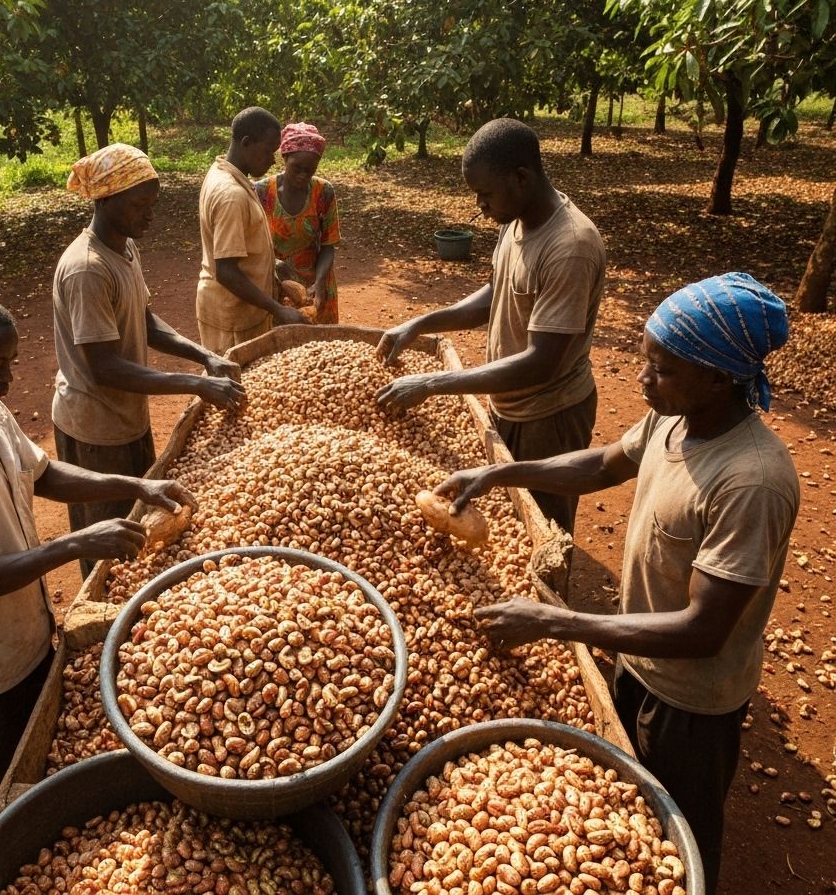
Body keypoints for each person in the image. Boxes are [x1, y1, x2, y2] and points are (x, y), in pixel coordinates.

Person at [435, 273, 799, 895]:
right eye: (645, 359)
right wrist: (499, 474)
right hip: (635, 655)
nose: (643, 378)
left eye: (663, 369)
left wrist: (557, 622)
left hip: (690, 699)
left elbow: (704, 630)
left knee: (680, 834)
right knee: (631, 807)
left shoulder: (751, 482)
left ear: (719, 378)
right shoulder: (676, 420)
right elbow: (600, 465)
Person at [0, 287, 195, 859]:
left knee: (30, 756)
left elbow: (43, 474)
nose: (8, 378)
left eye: (11, 362)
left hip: (22, 630)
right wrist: (75, 543)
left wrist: (135, 485)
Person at [376, 117, 605, 535]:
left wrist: (431, 384)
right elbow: (494, 294)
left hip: (549, 414)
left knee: (546, 529)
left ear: (521, 177)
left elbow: (542, 362)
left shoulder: (570, 246)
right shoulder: (514, 220)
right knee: (513, 511)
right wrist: (420, 324)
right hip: (509, 402)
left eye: (485, 193)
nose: (479, 205)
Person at [55, 142, 243, 577]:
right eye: (140, 205)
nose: (150, 215)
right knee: (110, 542)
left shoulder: (124, 248)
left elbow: (143, 320)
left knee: (141, 523)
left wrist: (204, 356)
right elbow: (105, 368)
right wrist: (196, 383)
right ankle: (106, 612)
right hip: (95, 428)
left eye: (151, 203)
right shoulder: (88, 269)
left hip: (127, 417)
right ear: (106, 200)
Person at [196, 106, 307, 355]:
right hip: (232, 318)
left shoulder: (227, 175)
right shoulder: (231, 195)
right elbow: (226, 271)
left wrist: (272, 264)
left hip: (237, 312)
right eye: (268, 151)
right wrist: (277, 309)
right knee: (234, 375)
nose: (272, 161)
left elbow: (237, 244)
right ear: (246, 143)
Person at [254, 121, 341, 323]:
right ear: (285, 157)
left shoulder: (323, 192)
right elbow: (251, 243)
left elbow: (328, 245)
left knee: (320, 339)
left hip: (316, 285)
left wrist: (319, 283)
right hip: (276, 284)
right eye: (297, 168)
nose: (303, 175)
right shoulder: (262, 192)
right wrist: (274, 264)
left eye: (310, 170)